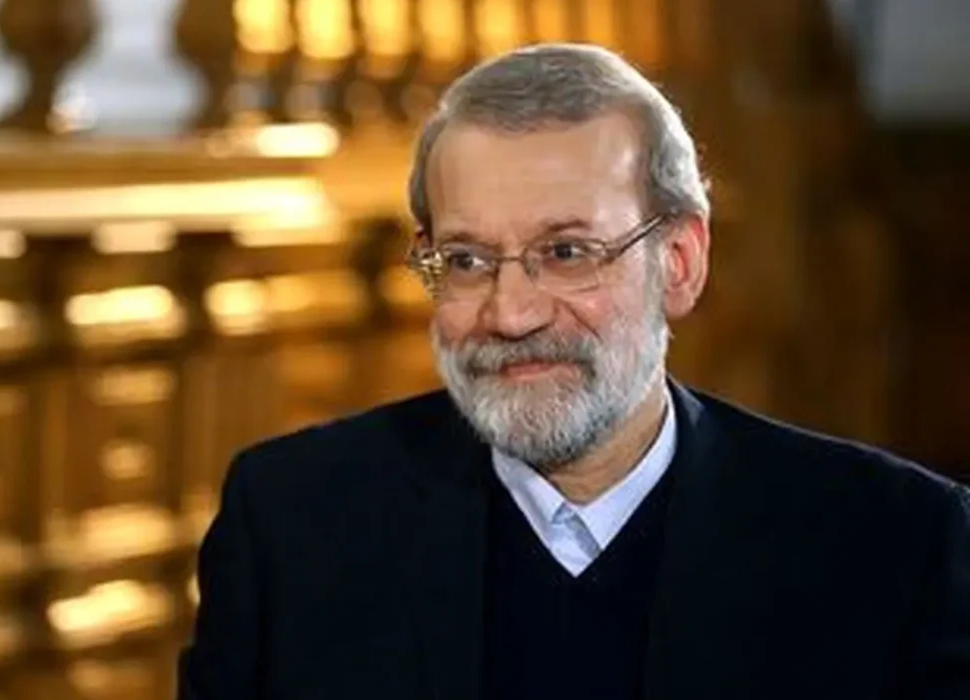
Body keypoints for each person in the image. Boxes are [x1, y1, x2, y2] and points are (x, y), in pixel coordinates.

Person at [177, 44, 970, 700]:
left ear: (680, 263)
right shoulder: (289, 524)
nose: (510, 314)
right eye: (466, 259)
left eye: (566, 252)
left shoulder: (894, 547)